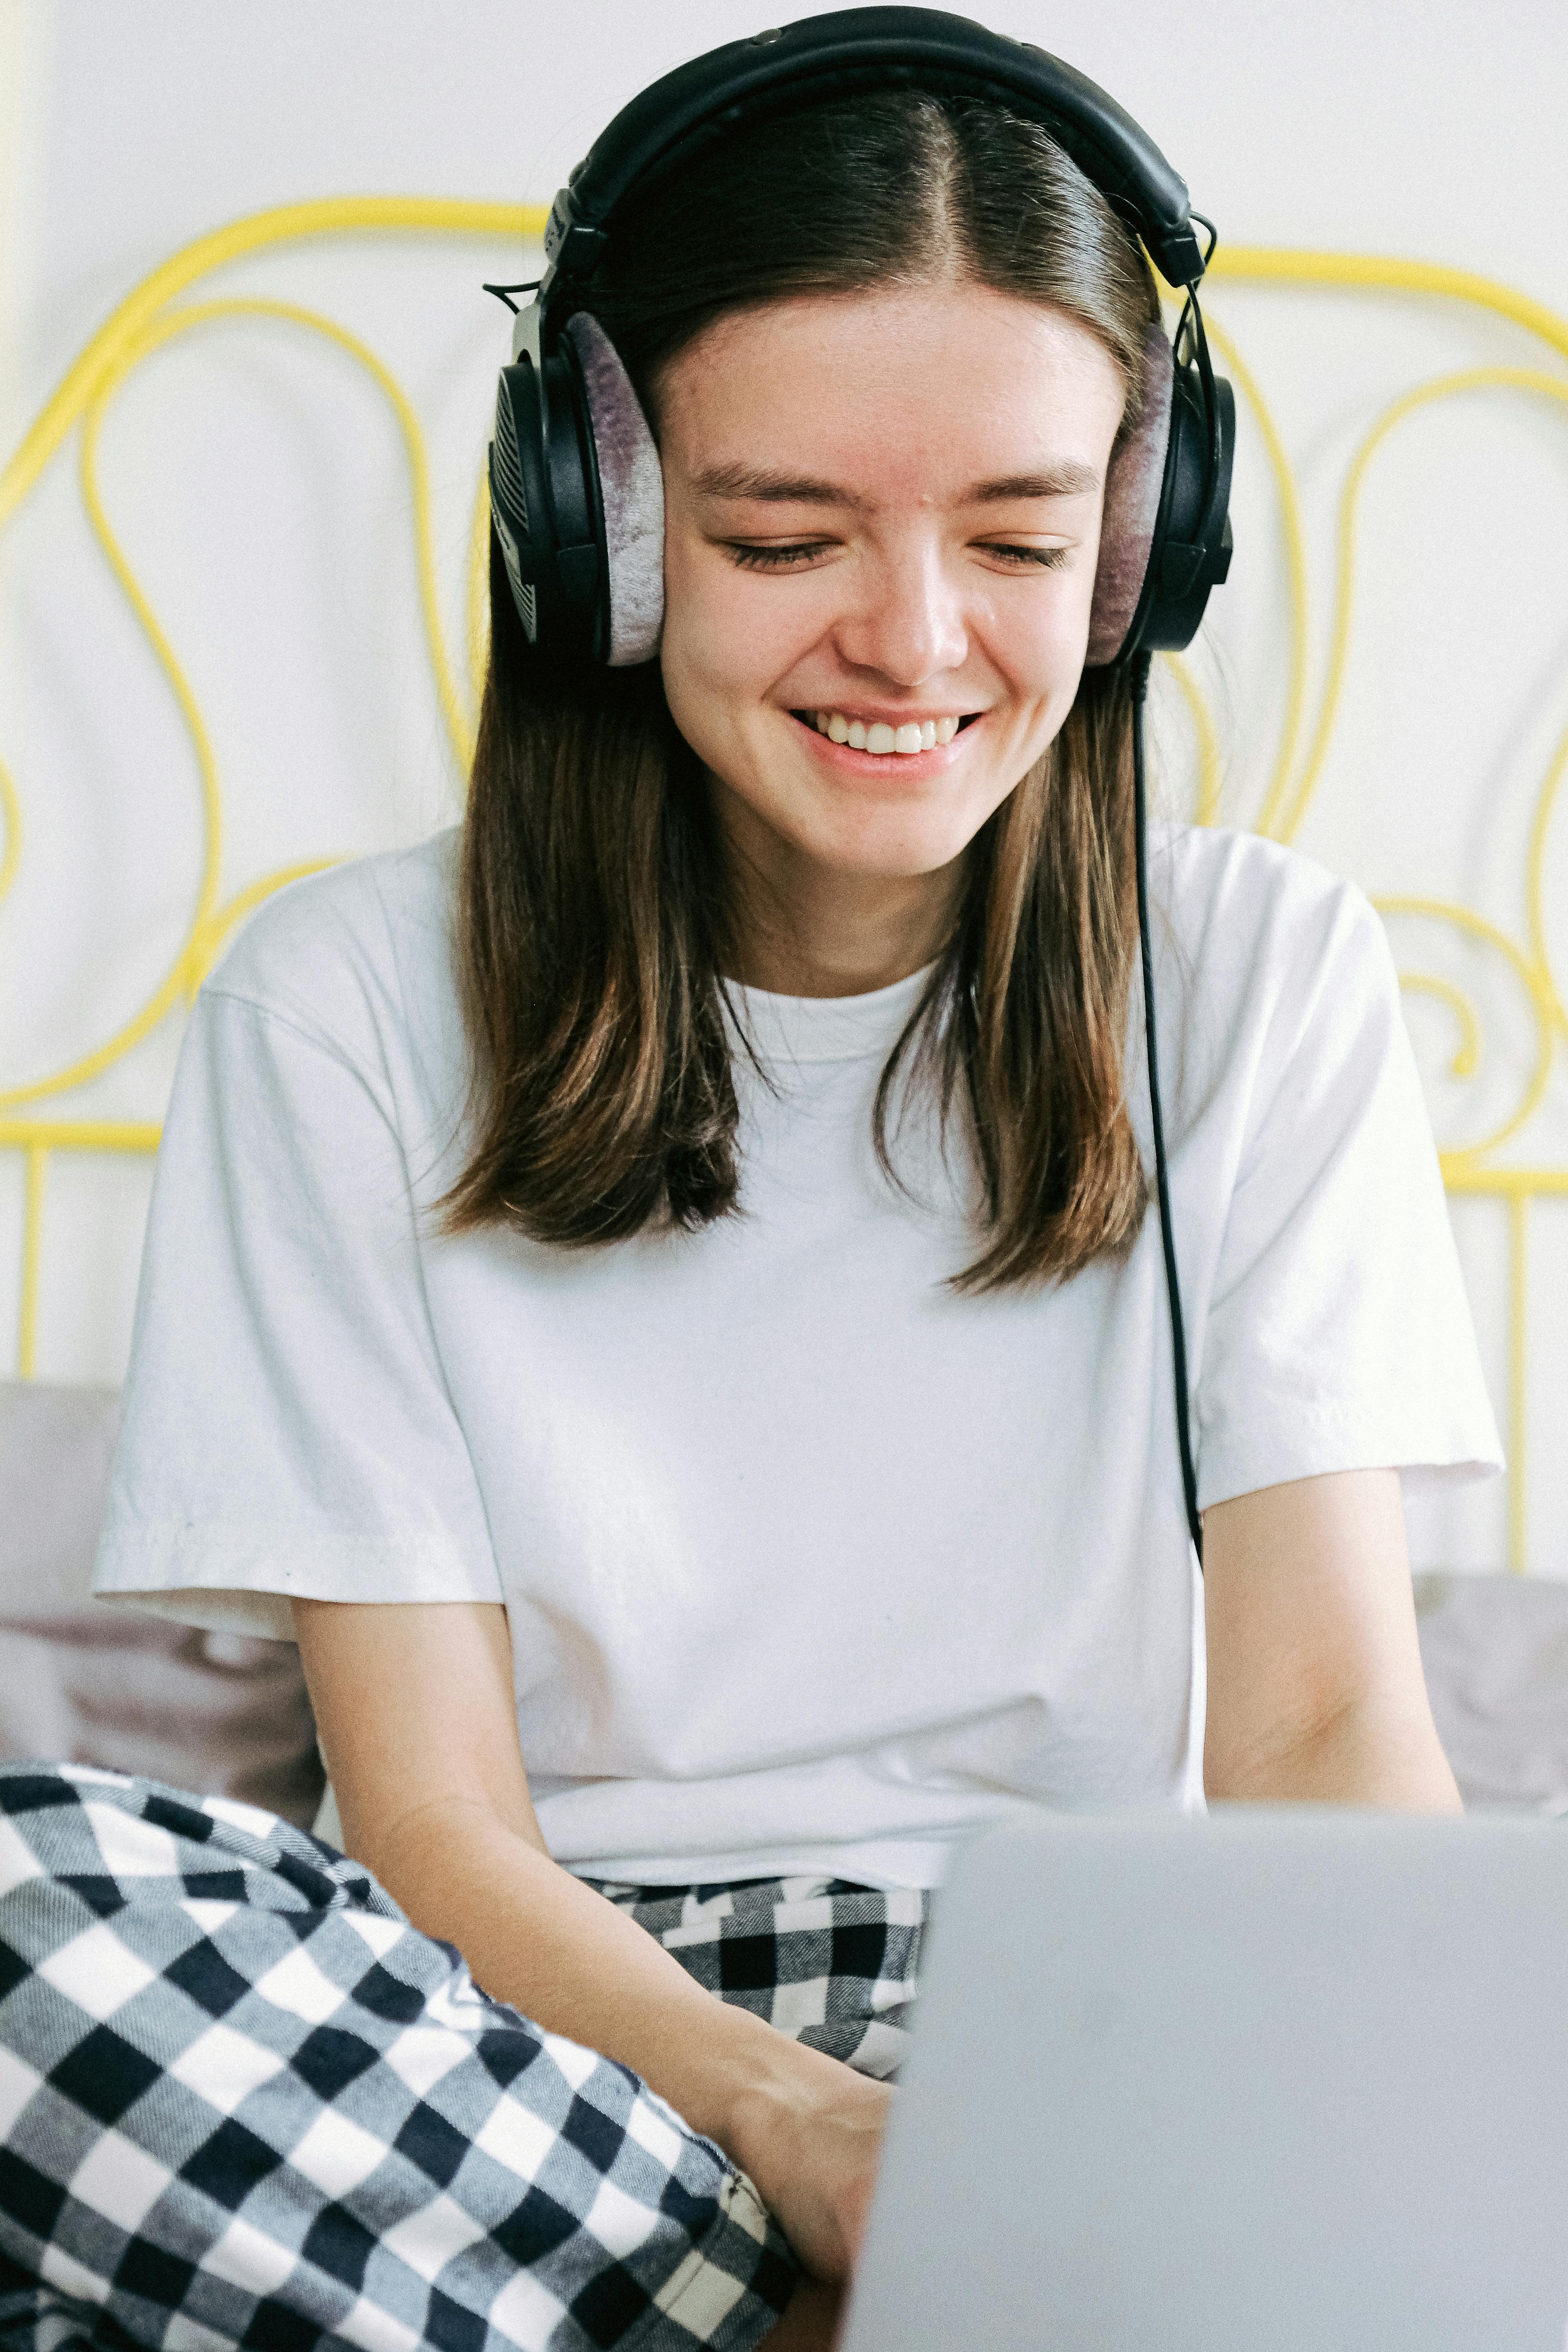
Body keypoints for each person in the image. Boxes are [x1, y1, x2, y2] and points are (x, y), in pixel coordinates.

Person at [2, 17, 1499, 2352]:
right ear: (596, 524)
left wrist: (1368, 2126)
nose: (911, 642)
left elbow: (1323, 1744)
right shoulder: (339, 1005)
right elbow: (434, 1826)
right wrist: (801, 2146)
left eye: (1013, 540)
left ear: (1140, 542)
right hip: (531, 2041)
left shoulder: (1254, 971)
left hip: (1060, 2014)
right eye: (782, 537)